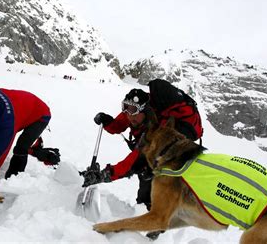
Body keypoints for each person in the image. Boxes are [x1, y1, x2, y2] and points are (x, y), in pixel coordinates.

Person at [81, 81, 202, 211]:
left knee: (149, 177)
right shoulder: (133, 113)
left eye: (132, 110)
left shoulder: (157, 131)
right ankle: (144, 211)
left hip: (168, 157)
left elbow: (133, 161)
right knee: (145, 182)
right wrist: (107, 121)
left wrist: (104, 175)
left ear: (146, 111)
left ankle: (152, 215)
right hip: (150, 154)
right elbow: (119, 125)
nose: (129, 115)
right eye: (126, 108)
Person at [0, 88, 58, 199]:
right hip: (23, 107)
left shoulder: (7, 125)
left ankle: (13, 180)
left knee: (21, 147)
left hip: (40, 114)